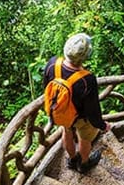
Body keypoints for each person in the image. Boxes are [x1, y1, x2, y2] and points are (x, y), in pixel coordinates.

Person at [43, 32, 110, 173]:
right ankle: (84, 164)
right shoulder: (87, 79)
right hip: (81, 118)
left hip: (62, 113)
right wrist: (102, 125)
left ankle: (72, 159)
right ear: (85, 56)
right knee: (85, 139)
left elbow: (47, 89)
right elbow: (92, 110)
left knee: (66, 131)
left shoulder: (52, 64)